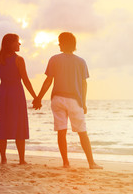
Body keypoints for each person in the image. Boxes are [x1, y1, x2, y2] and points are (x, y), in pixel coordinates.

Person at [33, 32, 103, 169]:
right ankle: (91, 163)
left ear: (64, 43)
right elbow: (84, 84)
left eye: (60, 42)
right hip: (74, 100)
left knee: (61, 131)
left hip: (57, 99)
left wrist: (38, 98)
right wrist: (83, 103)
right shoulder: (81, 61)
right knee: (82, 132)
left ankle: (66, 163)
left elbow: (48, 81)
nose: (58, 44)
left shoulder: (54, 59)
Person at [0, 33, 38, 165]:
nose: (19, 44)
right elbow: (25, 80)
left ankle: (3, 159)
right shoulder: (19, 59)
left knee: (2, 127)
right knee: (20, 126)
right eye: (17, 42)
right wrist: (35, 97)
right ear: (10, 44)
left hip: (3, 95)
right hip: (17, 95)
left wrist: (0, 97)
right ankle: (21, 159)